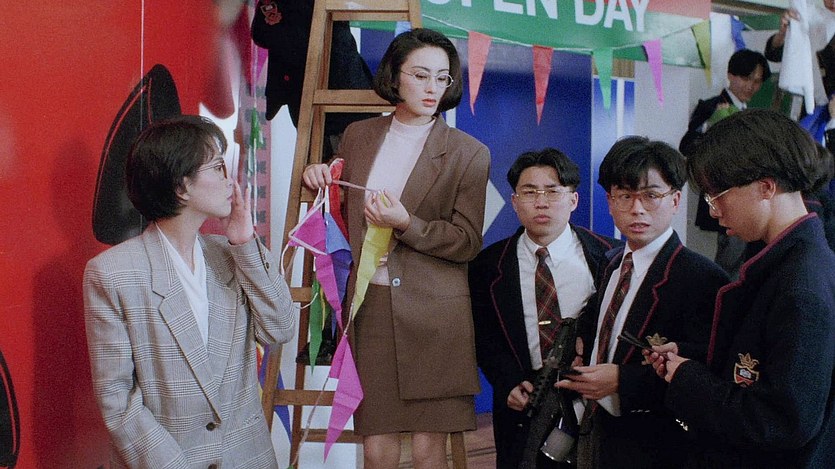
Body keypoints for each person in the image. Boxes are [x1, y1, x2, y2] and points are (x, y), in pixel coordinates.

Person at [302, 28, 490, 469]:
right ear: (394, 76)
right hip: (372, 306)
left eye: (442, 78)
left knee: (428, 451)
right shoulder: (358, 135)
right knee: (376, 446)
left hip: (435, 316)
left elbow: (466, 240)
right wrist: (318, 175)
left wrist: (407, 223)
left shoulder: (469, 152)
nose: (431, 88)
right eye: (420, 75)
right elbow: (339, 196)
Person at [83, 116, 296, 468]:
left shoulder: (232, 254)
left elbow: (281, 328)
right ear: (181, 186)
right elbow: (117, 399)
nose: (230, 180)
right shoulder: (113, 274)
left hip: (247, 458)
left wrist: (244, 242)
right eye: (217, 168)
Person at [647, 109, 835, 468]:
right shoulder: (785, 259)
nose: (714, 211)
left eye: (717, 195)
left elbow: (782, 421)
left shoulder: (802, 286)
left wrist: (689, 379)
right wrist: (692, 357)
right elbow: (762, 361)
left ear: (766, 187)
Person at [557, 136, 729, 469]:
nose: (637, 209)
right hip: (595, 427)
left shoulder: (702, 278)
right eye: (625, 196)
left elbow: (708, 370)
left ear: (675, 200)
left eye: (651, 195)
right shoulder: (612, 262)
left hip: (657, 444)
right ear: (610, 202)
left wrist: (623, 380)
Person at [469, 148, 621, 469]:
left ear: (573, 200)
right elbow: (484, 336)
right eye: (530, 192)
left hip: (593, 398)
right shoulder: (488, 265)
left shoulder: (611, 256)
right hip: (525, 400)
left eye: (553, 191)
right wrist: (507, 381)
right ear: (514, 202)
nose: (541, 202)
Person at [679, 49, 771, 279]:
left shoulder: (753, 114)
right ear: (731, 75)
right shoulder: (711, 107)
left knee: (741, 261)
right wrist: (712, 124)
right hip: (721, 195)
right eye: (746, 78)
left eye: (757, 81)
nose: (751, 86)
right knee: (724, 262)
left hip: (749, 197)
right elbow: (687, 145)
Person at [251, 0, 377, 160]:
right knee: (320, 165)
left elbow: (296, 34)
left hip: (343, 98)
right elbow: (260, 33)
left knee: (356, 165)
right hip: (308, 100)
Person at [765, 0, 835, 100]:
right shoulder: (814, 19)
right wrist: (784, 33)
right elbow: (774, 54)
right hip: (814, 103)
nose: (832, 2)